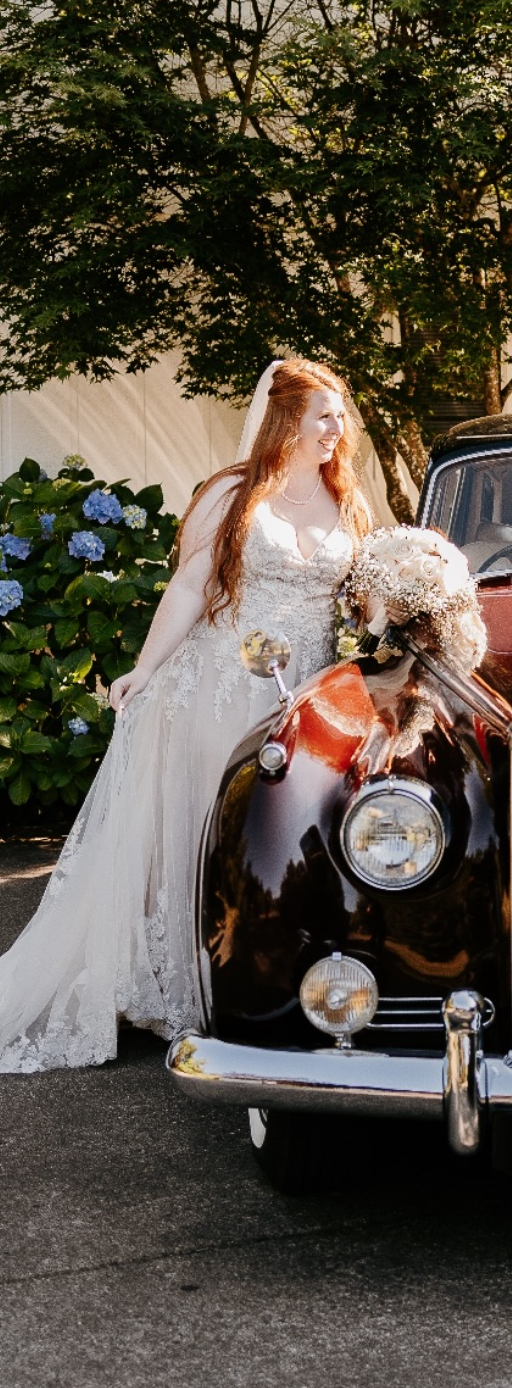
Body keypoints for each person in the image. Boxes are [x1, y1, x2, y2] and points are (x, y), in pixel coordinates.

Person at [0, 358, 369, 1072]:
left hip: (301, 700)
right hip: (216, 688)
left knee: (282, 839)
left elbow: (359, 595)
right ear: (285, 418)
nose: (338, 428)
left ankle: (275, 975)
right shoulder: (234, 493)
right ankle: (186, 986)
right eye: (324, 414)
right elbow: (194, 582)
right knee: (204, 835)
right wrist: (144, 665)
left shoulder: (346, 497)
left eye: (340, 414)